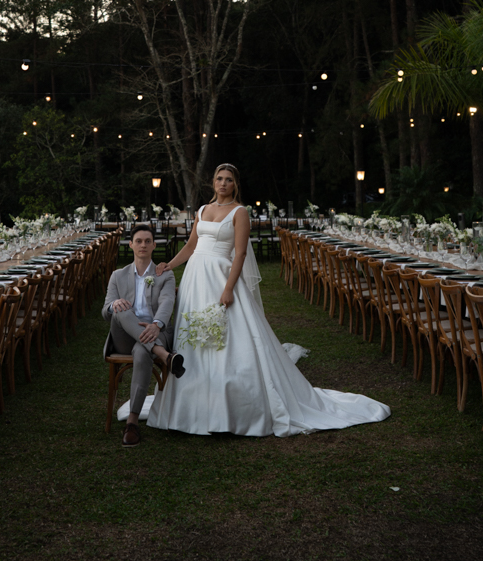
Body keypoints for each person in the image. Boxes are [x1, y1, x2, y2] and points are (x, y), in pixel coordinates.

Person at [148, 163, 390, 437]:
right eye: (219, 179)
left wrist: (229, 288)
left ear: (235, 184)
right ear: (213, 182)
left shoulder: (240, 213)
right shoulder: (203, 210)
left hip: (220, 276)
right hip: (195, 279)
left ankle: (230, 403)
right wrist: (171, 264)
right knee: (193, 333)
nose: (223, 183)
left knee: (227, 335)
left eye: (228, 180)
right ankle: (192, 397)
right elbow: (192, 245)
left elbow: (239, 254)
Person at [102, 223, 184, 447]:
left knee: (141, 351)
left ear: (154, 245)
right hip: (123, 337)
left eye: (148, 241)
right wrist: (113, 306)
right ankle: (164, 354)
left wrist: (157, 324)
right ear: (130, 245)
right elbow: (105, 312)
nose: (143, 245)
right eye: (138, 241)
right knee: (120, 309)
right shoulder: (118, 276)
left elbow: (167, 302)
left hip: (154, 333)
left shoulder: (165, 275)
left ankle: (132, 422)